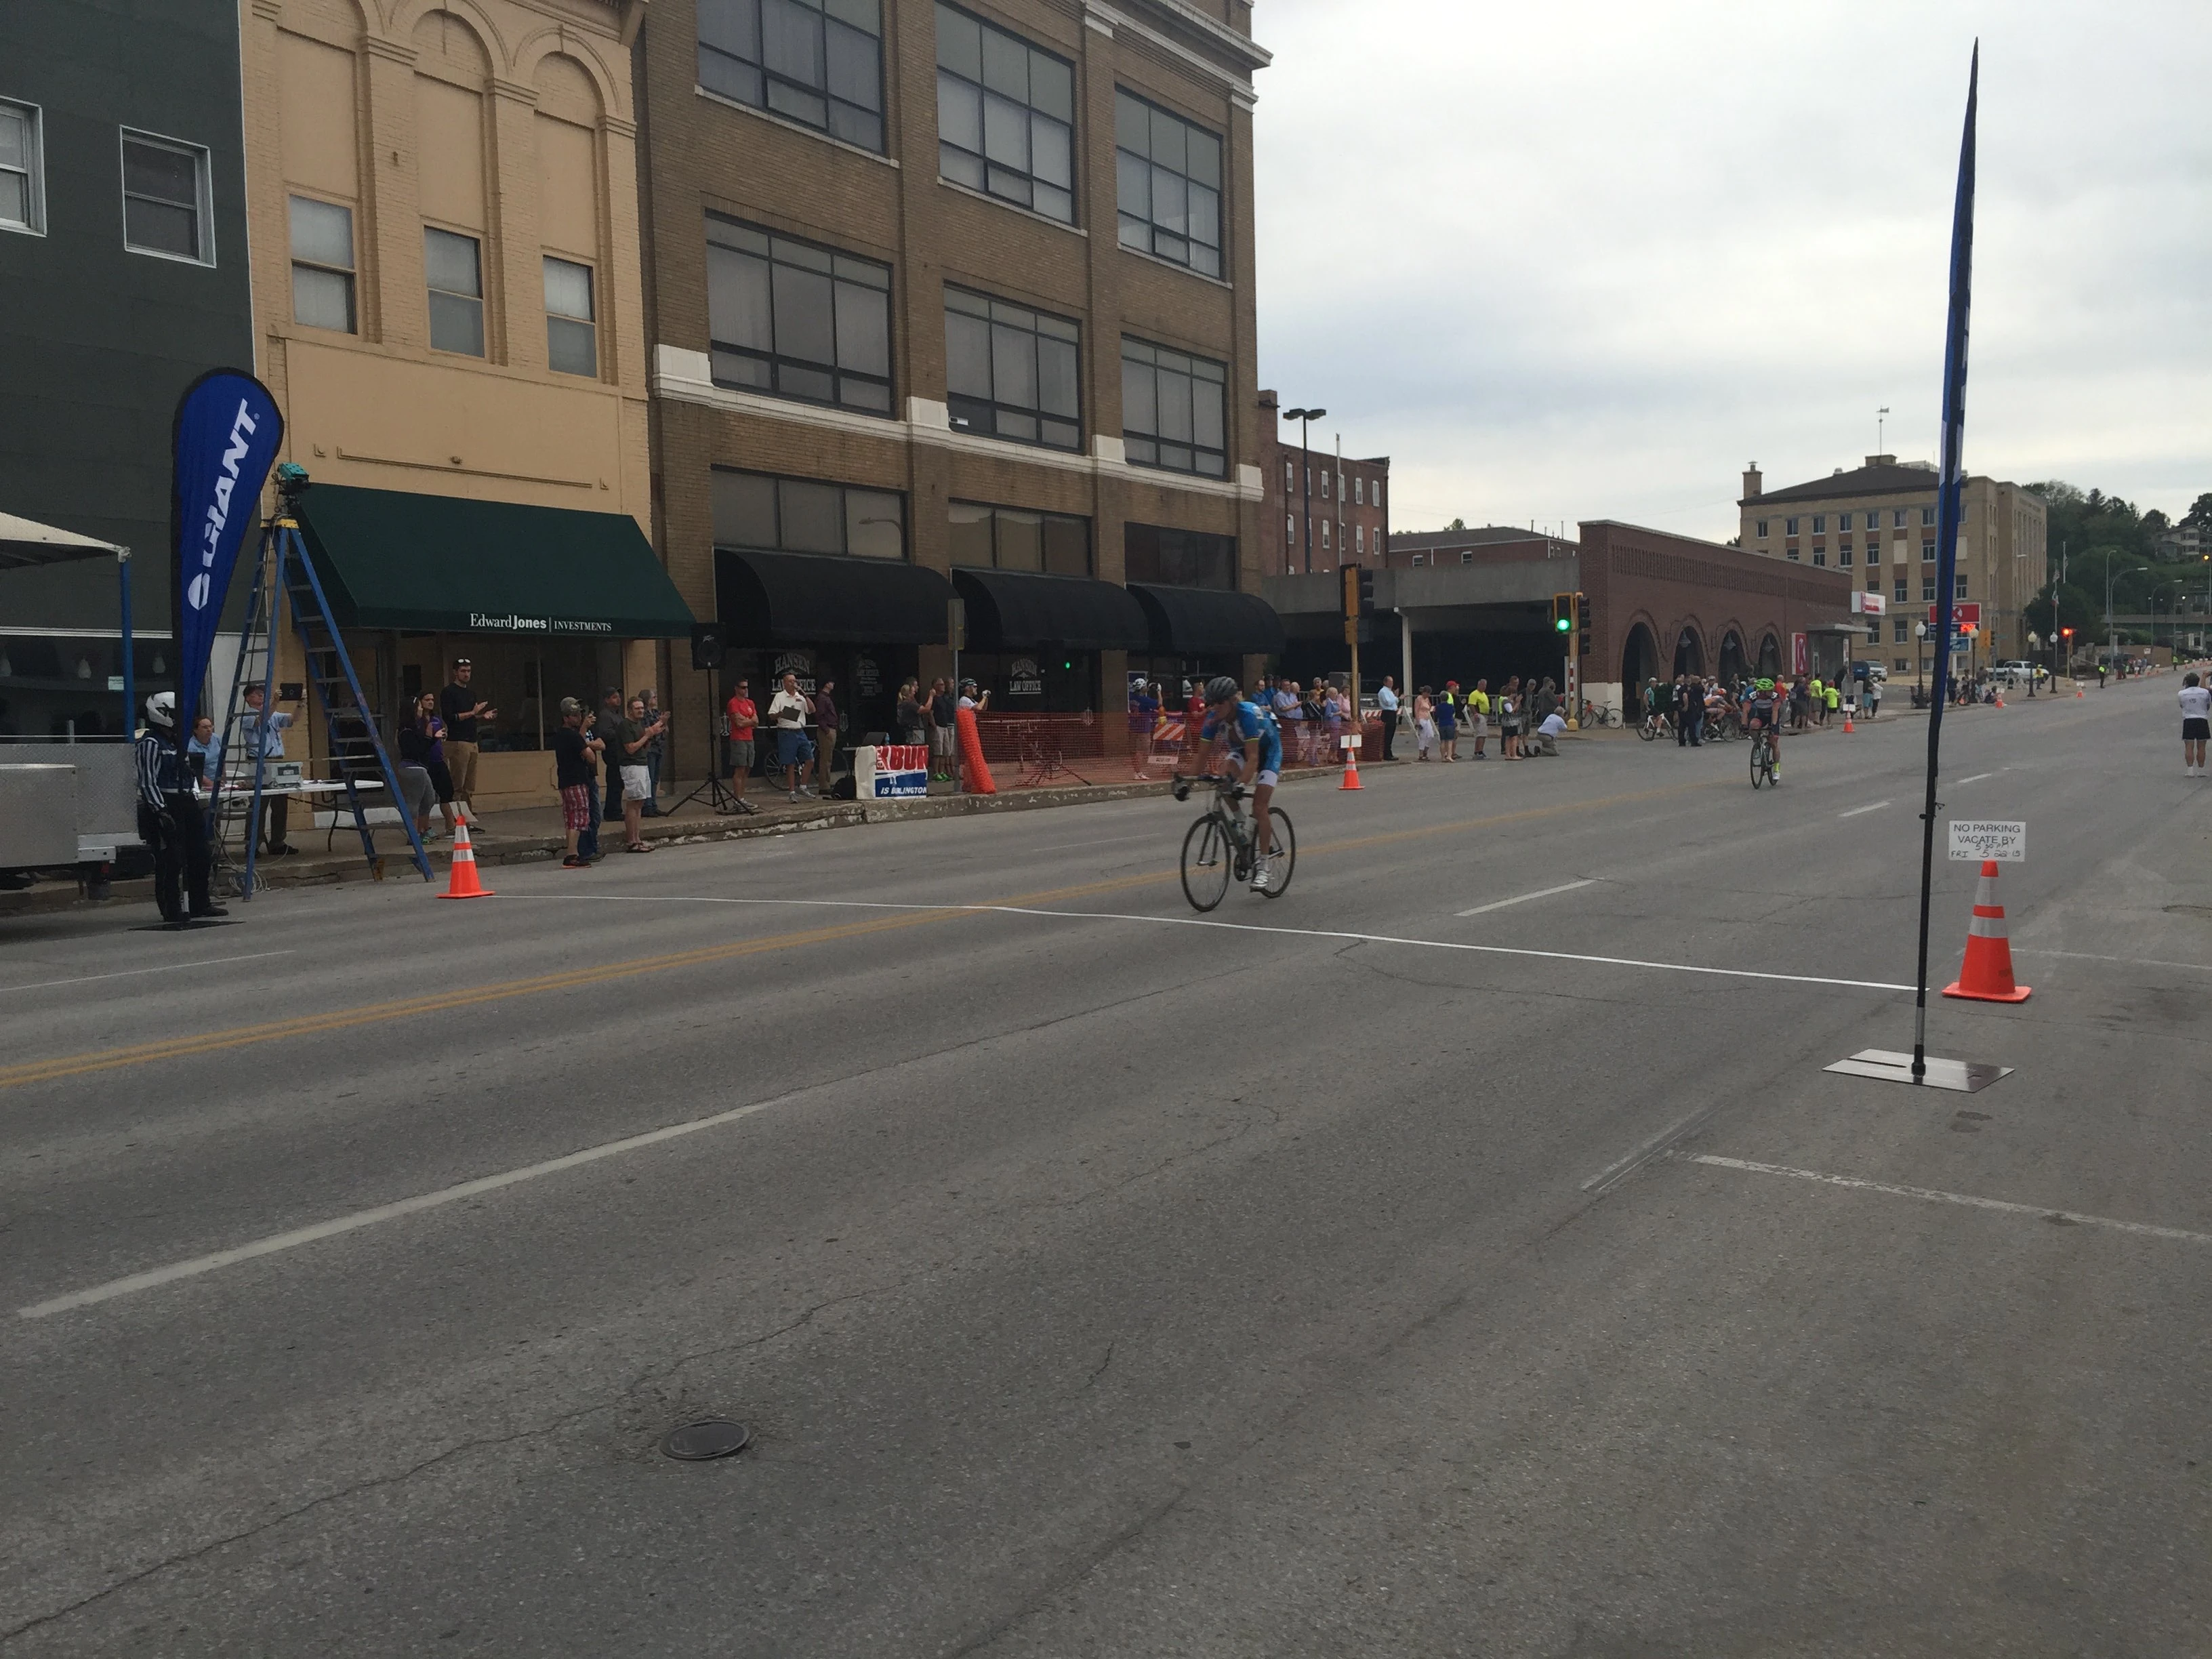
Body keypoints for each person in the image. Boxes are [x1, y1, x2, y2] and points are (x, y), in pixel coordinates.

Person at [1185, 675, 1284, 891]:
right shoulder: (1213, 719)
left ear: (1232, 701)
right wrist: (1188, 784)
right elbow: (1201, 755)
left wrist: (1241, 785)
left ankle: (1264, 867)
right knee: (1222, 774)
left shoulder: (1247, 715)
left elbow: (1254, 758)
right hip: (1242, 750)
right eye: (1212, 703)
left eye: (1220, 703)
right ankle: (1241, 822)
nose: (1215, 707)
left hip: (1269, 752)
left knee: (1259, 806)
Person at [135, 691, 222, 923]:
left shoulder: (177, 742)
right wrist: (160, 810)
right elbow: (147, 780)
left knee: (200, 853)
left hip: (186, 801)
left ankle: (199, 903)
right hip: (165, 803)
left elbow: (188, 772)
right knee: (171, 859)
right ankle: (171, 908)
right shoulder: (151, 743)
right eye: (174, 714)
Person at [237, 682, 298, 856]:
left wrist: (300, 704)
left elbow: (292, 720)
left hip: (277, 761)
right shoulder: (247, 714)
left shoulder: (274, 714)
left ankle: (278, 842)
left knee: (280, 804)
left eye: (262, 693)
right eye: (257, 694)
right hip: (259, 762)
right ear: (248, 698)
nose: (261, 696)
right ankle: (253, 844)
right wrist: (275, 702)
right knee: (259, 804)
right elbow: (261, 720)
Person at [437, 659, 496, 815]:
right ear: (455, 672)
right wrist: (472, 712)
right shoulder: (449, 692)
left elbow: (471, 717)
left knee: (470, 785)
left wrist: (483, 716)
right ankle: (456, 819)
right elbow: (450, 717)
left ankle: (467, 818)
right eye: (463, 671)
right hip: (458, 742)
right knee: (458, 784)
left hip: (472, 741)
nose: (466, 674)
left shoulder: (471, 693)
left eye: (469, 671)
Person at [614, 694, 665, 849]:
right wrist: (647, 735)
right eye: (637, 708)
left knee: (640, 802)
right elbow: (630, 748)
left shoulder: (639, 724)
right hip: (631, 766)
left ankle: (638, 839)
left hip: (642, 764)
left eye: (642, 708)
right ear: (630, 710)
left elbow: (643, 746)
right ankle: (632, 841)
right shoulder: (625, 725)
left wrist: (651, 735)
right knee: (633, 802)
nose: (641, 711)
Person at [552, 697, 596, 869]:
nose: (578, 718)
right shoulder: (572, 736)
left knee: (571, 816)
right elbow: (591, 757)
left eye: (579, 714)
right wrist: (589, 743)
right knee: (579, 816)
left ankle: (573, 853)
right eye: (574, 715)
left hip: (565, 780)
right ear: (566, 718)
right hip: (576, 779)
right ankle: (572, 854)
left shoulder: (560, 735)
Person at [411, 690, 459, 836]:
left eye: (432, 699)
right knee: (427, 797)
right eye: (427, 700)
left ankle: (451, 826)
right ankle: (422, 829)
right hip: (424, 762)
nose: (431, 702)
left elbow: (442, 735)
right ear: (420, 702)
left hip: (438, 760)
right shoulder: (416, 721)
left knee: (447, 793)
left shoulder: (436, 719)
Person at [769, 670, 816, 801]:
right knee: (790, 763)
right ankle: (792, 792)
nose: (793, 683)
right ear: (784, 683)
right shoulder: (779, 696)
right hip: (786, 731)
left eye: (795, 681)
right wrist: (780, 714)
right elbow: (771, 715)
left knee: (810, 760)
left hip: (800, 731)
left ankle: (803, 786)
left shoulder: (800, 697)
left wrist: (804, 694)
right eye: (790, 681)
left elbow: (812, 710)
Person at [724, 676, 760, 815]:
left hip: (749, 738)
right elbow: (738, 723)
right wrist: (749, 721)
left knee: (747, 769)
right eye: (742, 687)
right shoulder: (733, 703)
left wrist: (747, 720)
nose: (745, 690)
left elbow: (756, 721)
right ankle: (737, 799)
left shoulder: (750, 703)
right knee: (740, 769)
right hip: (738, 739)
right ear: (736, 688)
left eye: (746, 687)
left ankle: (742, 798)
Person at [596, 688, 627, 830]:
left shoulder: (618, 715)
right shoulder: (605, 715)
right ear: (607, 700)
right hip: (612, 753)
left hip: (620, 753)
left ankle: (616, 810)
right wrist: (621, 733)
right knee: (614, 782)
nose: (618, 699)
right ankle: (612, 812)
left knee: (619, 783)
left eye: (618, 697)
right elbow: (606, 733)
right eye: (614, 697)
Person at [1746, 675, 1784, 778]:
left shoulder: (1775, 696)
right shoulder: (1753, 695)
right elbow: (1745, 710)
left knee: (1773, 743)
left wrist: (1773, 726)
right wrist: (1744, 725)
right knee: (1753, 725)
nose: (1772, 691)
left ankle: (1776, 768)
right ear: (1762, 691)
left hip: (1772, 717)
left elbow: (1775, 712)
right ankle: (1756, 744)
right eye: (1769, 690)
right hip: (1761, 716)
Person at [638, 686, 666, 815]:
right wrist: (659, 724)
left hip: (659, 746)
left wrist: (663, 723)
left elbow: (663, 729)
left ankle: (654, 804)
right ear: (647, 699)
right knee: (648, 777)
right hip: (649, 748)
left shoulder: (656, 713)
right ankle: (647, 805)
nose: (655, 699)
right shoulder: (643, 714)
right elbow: (648, 731)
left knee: (655, 779)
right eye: (653, 697)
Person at [813, 678, 841, 787]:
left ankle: (826, 783)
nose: (833, 684)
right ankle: (824, 785)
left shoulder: (827, 698)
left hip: (831, 728)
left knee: (828, 757)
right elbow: (819, 716)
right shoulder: (822, 698)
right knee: (826, 758)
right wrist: (826, 730)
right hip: (827, 730)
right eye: (831, 682)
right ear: (826, 684)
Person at [2181, 672, 2210, 777]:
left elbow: (2182, 705)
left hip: (2189, 719)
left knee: (2189, 746)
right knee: (2201, 746)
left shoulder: (2182, 693)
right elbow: (2207, 705)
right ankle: (2201, 770)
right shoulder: (2205, 692)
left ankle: (2190, 770)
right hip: (2202, 719)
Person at [928, 677, 957, 779]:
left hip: (945, 726)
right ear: (935, 686)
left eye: (943, 684)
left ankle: (942, 771)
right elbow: (930, 713)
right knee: (938, 751)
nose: (943, 686)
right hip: (938, 727)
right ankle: (936, 772)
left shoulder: (944, 698)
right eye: (941, 685)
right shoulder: (934, 698)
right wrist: (934, 726)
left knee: (945, 751)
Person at [1498, 676, 1524, 759]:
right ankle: (1513, 755)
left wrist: (1516, 703)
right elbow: (1511, 711)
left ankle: (1508, 754)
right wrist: (1517, 703)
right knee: (1513, 738)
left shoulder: (1508, 701)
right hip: (1510, 722)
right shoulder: (1506, 701)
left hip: (1509, 721)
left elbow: (1515, 710)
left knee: (1509, 738)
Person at [1376, 675, 1400, 760]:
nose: (1392, 684)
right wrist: (1396, 697)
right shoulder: (1383, 691)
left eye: (1392, 682)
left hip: (1392, 713)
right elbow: (1388, 702)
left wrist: (1396, 698)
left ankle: (1389, 753)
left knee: (1391, 734)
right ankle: (1386, 754)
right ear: (1385, 682)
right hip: (1387, 713)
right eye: (1390, 682)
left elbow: (1394, 702)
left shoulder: (1390, 692)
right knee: (1387, 734)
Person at [1467, 678, 1491, 758]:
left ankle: (1479, 751)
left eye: (1485, 685)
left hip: (1484, 715)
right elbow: (1472, 705)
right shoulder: (1474, 694)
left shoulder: (1483, 694)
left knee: (1483, 734)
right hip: (1479, 715)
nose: (1484, 687)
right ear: (1479, 685)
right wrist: (1475, 714)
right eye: (1483, 685)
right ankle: (1479, 751)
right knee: (1481, 734)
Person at [1434, 680, 1458, 760]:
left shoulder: (1438, 707)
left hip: (1442, 724)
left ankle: (1442, 757)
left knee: (1443, 741)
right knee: (1450, 741)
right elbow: (1453, 712)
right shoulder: (1450, 706)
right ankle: (1449, 756)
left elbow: (1436, 714)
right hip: (1449, 723)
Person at [1412, 687, 1435, 760]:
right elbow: (1416, 710)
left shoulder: (1427, 699)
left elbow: (1429, 707)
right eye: (1428, 693)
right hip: (1421, 718)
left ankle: (1426, 749)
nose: (1428, 695)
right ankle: (1421, 753)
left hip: (1427, 718)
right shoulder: (1419, 699)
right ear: (1424, 693)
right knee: (1423, 736)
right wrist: (1418, 721)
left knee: (1431, 735)